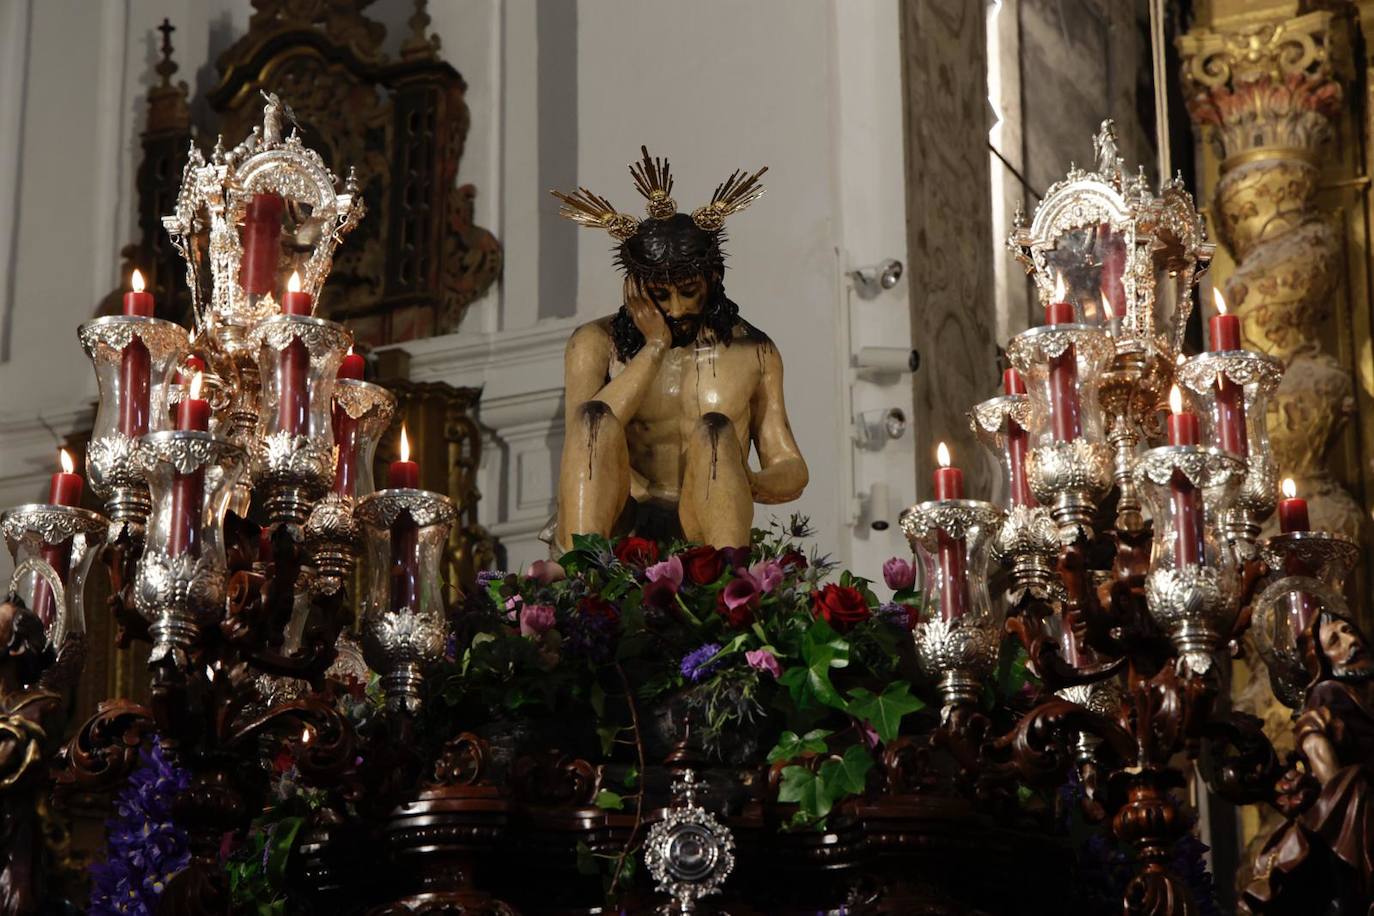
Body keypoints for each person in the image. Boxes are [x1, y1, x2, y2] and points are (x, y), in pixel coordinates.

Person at [550, 148, 808, 550]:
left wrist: (745, 479)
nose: (676, 309)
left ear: (714, 276)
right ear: (634, 288)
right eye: (659, 295)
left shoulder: (753, 352)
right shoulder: (595, 344)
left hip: (705, 521)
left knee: (716, 429)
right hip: (621, 517)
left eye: (689, 292)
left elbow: (790, 466)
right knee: (595, 417)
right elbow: (582, 444)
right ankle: (582, 578)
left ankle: (730, 588)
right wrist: (654, 346)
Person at [1242, 611, 1374, 914]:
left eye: (1349, 630)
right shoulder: (1324, 706)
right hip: (1353, 813)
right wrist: (1341, 790)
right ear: (1323, 660)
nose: (1352, 641)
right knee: (1354, 785)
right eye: (1336, 640)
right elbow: (1323, 762)